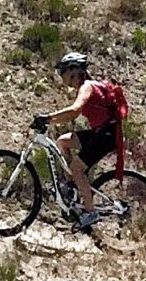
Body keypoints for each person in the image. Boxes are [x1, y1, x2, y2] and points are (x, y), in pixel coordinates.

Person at [40, 49, 125, 226]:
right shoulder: (87, 86)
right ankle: (72, 185)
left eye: (62, 72)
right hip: (101, 132)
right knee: (63, 141)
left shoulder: (87, 87)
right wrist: (50, 120)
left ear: (73, 71)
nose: (61, 77)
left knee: (77, 169)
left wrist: (48, 118)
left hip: (106, 134)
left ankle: (90, 212)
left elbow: (74, 111)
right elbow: (71, 114)